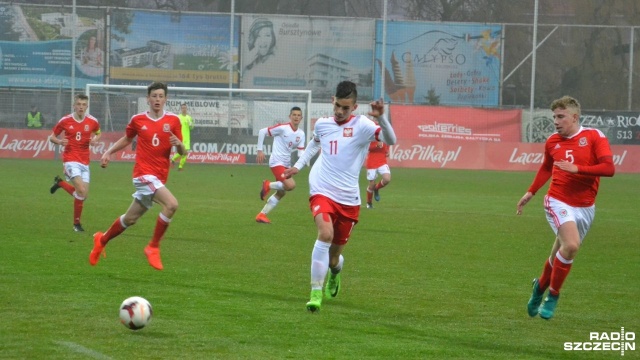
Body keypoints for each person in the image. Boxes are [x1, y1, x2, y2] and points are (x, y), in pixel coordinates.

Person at [283, 81, 397, 312]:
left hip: (348, 198)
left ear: (354, 107)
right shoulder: (323, 124)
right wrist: (297, 166)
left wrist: (382, 118)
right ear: (332, 101)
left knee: (334, 259)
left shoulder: (364, 125)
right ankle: (315, 293)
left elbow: (391, 140)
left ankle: (335, 272)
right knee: (324, 234)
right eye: (337, 105)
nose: (339, 111)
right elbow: (314, 146)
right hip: (321, 188)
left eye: (345, 108)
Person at [516, 96, 615, 320]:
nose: (556, 121)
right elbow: (546, 168)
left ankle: (538, 289)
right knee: (570, 245)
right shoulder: (552, 141)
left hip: (585, 207)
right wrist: (531, 192)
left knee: (557, 256)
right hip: (557, 200)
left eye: (560, 117)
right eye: (554, 117)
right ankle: (553, 296)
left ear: (574, 117)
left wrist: (576, 168)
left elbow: (609, 168)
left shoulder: (593, 137)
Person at [90, 82, 185, 271]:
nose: (157, 99)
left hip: (158, 177)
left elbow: (182, 151)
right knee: (172, 204)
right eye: (154, 96)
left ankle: (101, 239)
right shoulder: (138, 119)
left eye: (160, 96)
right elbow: (127, 138)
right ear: (148, 99)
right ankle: (153, 247)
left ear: (166, 99)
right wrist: (108, 152)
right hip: (143, 175)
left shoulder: (174, 121)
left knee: (130, 219)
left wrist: (179, 144)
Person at [48, 94, 102, 232]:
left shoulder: (92, 121)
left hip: (85, 162)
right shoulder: (65, 120)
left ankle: (60, 183)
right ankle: (76, 224)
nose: (81, 107)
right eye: (78, 104)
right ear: (74, 105)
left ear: (87, 106)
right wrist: (60, 141)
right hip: (70, 160)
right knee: (81, 191)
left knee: (84, 195)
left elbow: (98, 132)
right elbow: (52, 137)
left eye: (84, 104)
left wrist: (96, 139)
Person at [255, 106, 306, 224]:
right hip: (276, 162)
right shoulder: (283, 128)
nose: (296, 117)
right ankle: (267, 185)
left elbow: (301, 152)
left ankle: (261, 215)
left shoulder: (301, 134)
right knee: (291, 185)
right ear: (290, 116)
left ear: (301, 118)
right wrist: (259, 150)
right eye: (294, 115)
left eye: (298, 115)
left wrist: (300, 164)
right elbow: (262, 131)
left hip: (286, 164)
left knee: (282, 192)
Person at [364, 139, 391, 209]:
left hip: (382, 161)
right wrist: (376, 145)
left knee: (387, 179)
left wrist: (387, 150)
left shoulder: (384, 133)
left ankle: (376, 188)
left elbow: (388, 142)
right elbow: (366, 147)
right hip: (372, 162)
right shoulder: (372, 132)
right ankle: (369, 203)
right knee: (371, 184)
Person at [171, 103, 194, 171]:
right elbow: (175, 127)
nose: (184, 109)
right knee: (183, 152)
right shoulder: (178, 117)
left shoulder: (189, 118)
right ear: (181, 109)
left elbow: (192, 128)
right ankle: (177, 164)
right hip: (180, 137)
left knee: (185, 153)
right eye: (182, 108)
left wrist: (190, 125)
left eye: (185, 108)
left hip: (187, 138)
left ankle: (177, 163)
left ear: (186, 109)